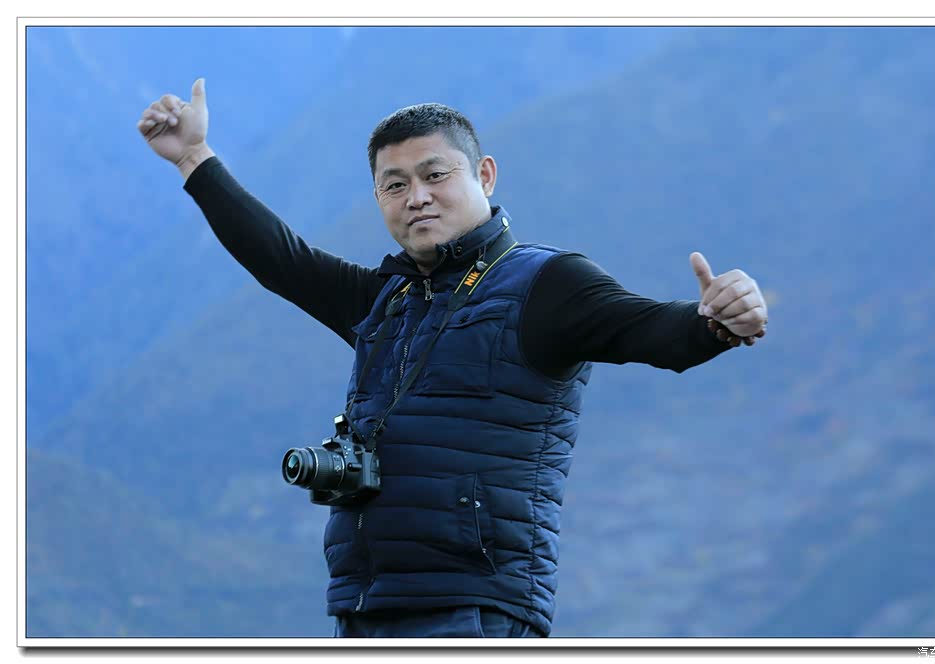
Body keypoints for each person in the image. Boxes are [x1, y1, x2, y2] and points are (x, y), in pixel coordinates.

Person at [137, 78, 768, 639]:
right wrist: (193, 158)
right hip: (365, 604)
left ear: (484, 176)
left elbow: (653, 331)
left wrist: (715, 321)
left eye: (435, 175)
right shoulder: (385, 301)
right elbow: (281, 258)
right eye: (395, 185)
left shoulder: (549, 284)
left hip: (475, 610)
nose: (416, 197)